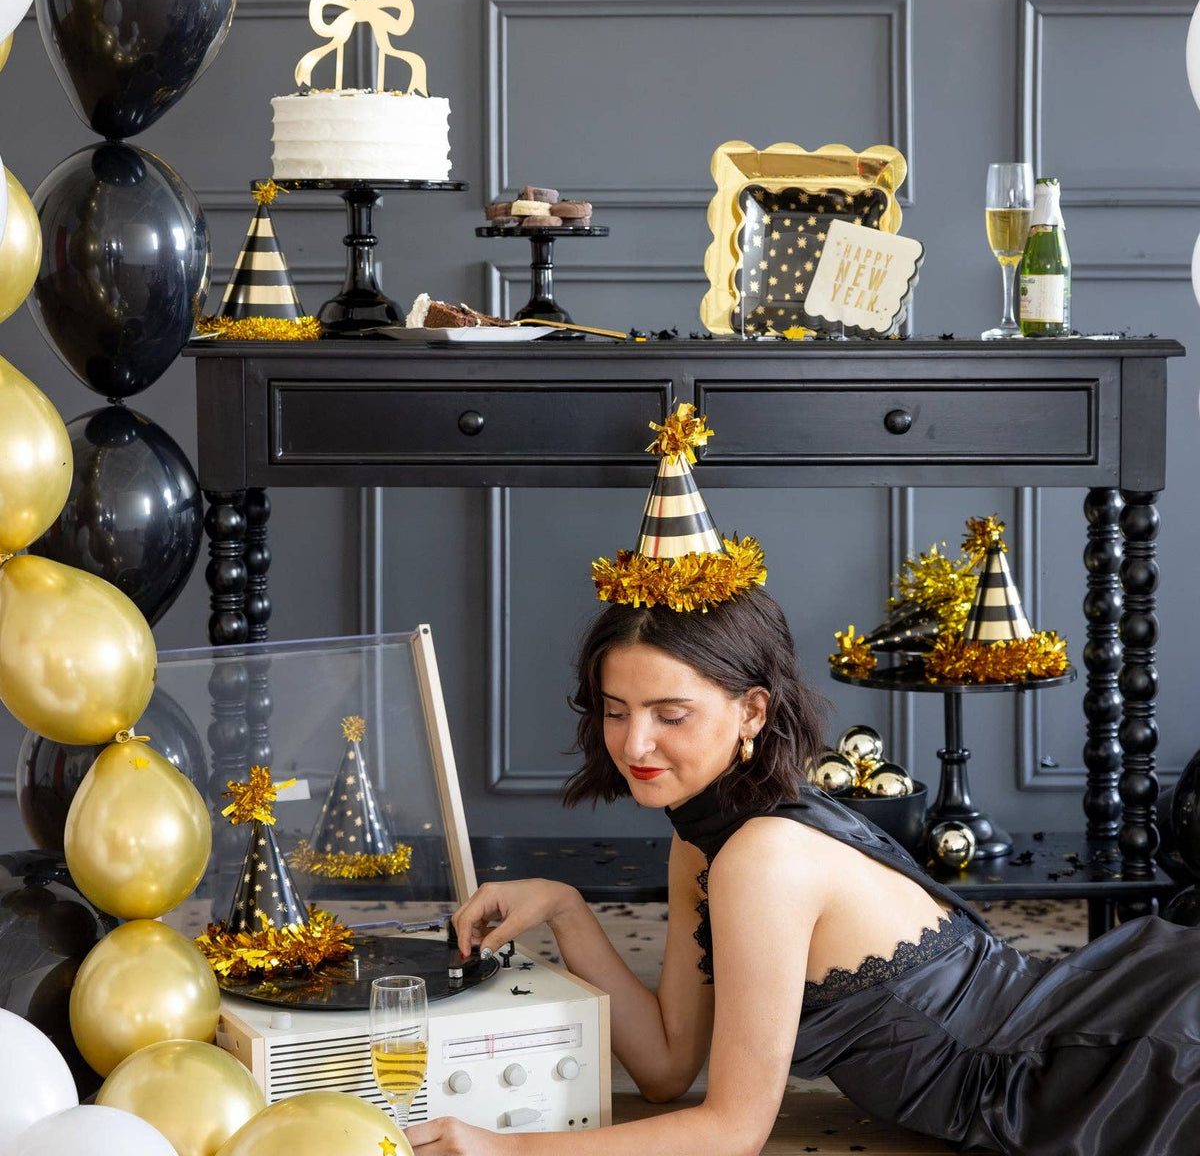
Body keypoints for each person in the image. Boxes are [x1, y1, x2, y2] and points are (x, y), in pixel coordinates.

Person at [405, 406, 1200, 1156]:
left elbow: (731, 1132)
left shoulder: (762, 858)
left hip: (1102, 1065)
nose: (634, 743)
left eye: (670, 714)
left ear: (751, 710)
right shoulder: (707, 838)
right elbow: (668, 1068)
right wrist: (568, 909)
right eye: (616, 710)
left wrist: (507, 1147)